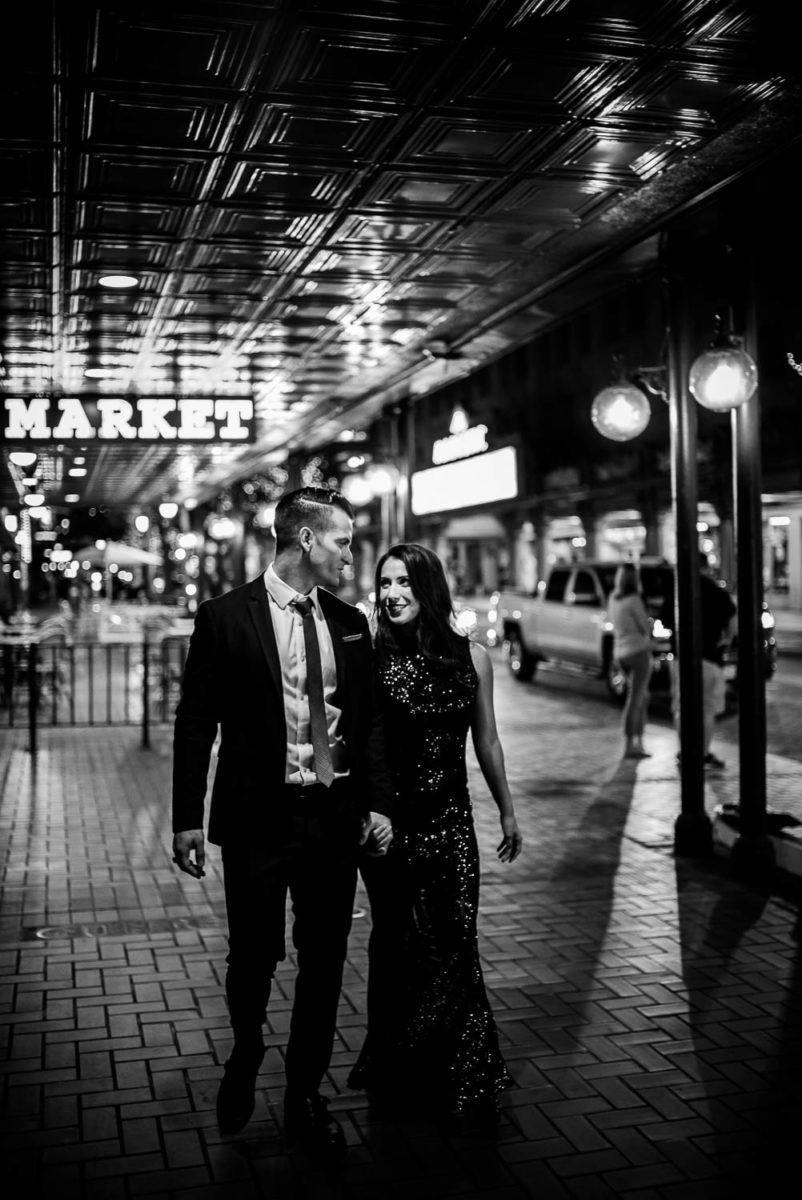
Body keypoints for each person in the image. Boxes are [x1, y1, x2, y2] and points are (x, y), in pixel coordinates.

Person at [171, 485, 395, 1159]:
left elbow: (367, 722)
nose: (351, 555)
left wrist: (378, 802)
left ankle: (304, 1091)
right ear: (305, 540)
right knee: (254, 956)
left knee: (325, 961)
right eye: (342, 541)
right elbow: (195, 721)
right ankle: (246, 1051)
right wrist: (186, 817)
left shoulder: (350, 621)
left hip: (332, 818)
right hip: (257, 820)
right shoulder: (225, 617)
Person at [347, 543, 523, 1130]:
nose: (392, 592)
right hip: (392, 827)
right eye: (385, 582)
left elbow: (488, 741)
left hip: (451, 824)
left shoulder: (473, 658)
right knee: (396, 944)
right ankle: (398, 1062)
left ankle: (463, 1068)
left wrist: (507, 811)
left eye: (403, 582)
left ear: (429, 588)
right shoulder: (373, 656)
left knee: (453, 942)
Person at [607, 562, 653, 759]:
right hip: (638, 652)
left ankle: (638, 742)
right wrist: (650, 623)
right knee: (636, 698)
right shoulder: (634, 600)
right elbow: (645, 627)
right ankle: (631, 744)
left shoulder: (613, 598)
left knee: (641, 697)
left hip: (620, 652)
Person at [697, 552, 736, 769]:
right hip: (711, 658)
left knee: (683, 709)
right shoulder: (716, 592)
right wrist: (727, 640)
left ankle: (687, 751)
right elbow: (733, 620)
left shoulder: (680, 590)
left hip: (682, 660)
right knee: (708, 710)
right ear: (706, 567)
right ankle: (702, 754)